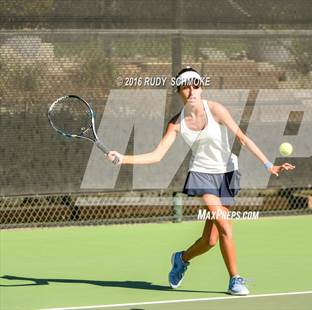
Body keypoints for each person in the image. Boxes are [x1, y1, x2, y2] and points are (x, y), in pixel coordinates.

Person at [107, 67, 295, 295]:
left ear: (201, 87)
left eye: (196, 84)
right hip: (202, 175)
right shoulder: (176, 123)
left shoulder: (216, 110)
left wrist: (269, 165)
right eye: (186, 85)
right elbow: (157, 155)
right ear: (179, 91)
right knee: (225, 225)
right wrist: (123, 158)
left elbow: (242, 138)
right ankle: (235, 280)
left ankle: (181, 258)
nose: (192, 89)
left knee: (211, 240)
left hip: (227, 173)